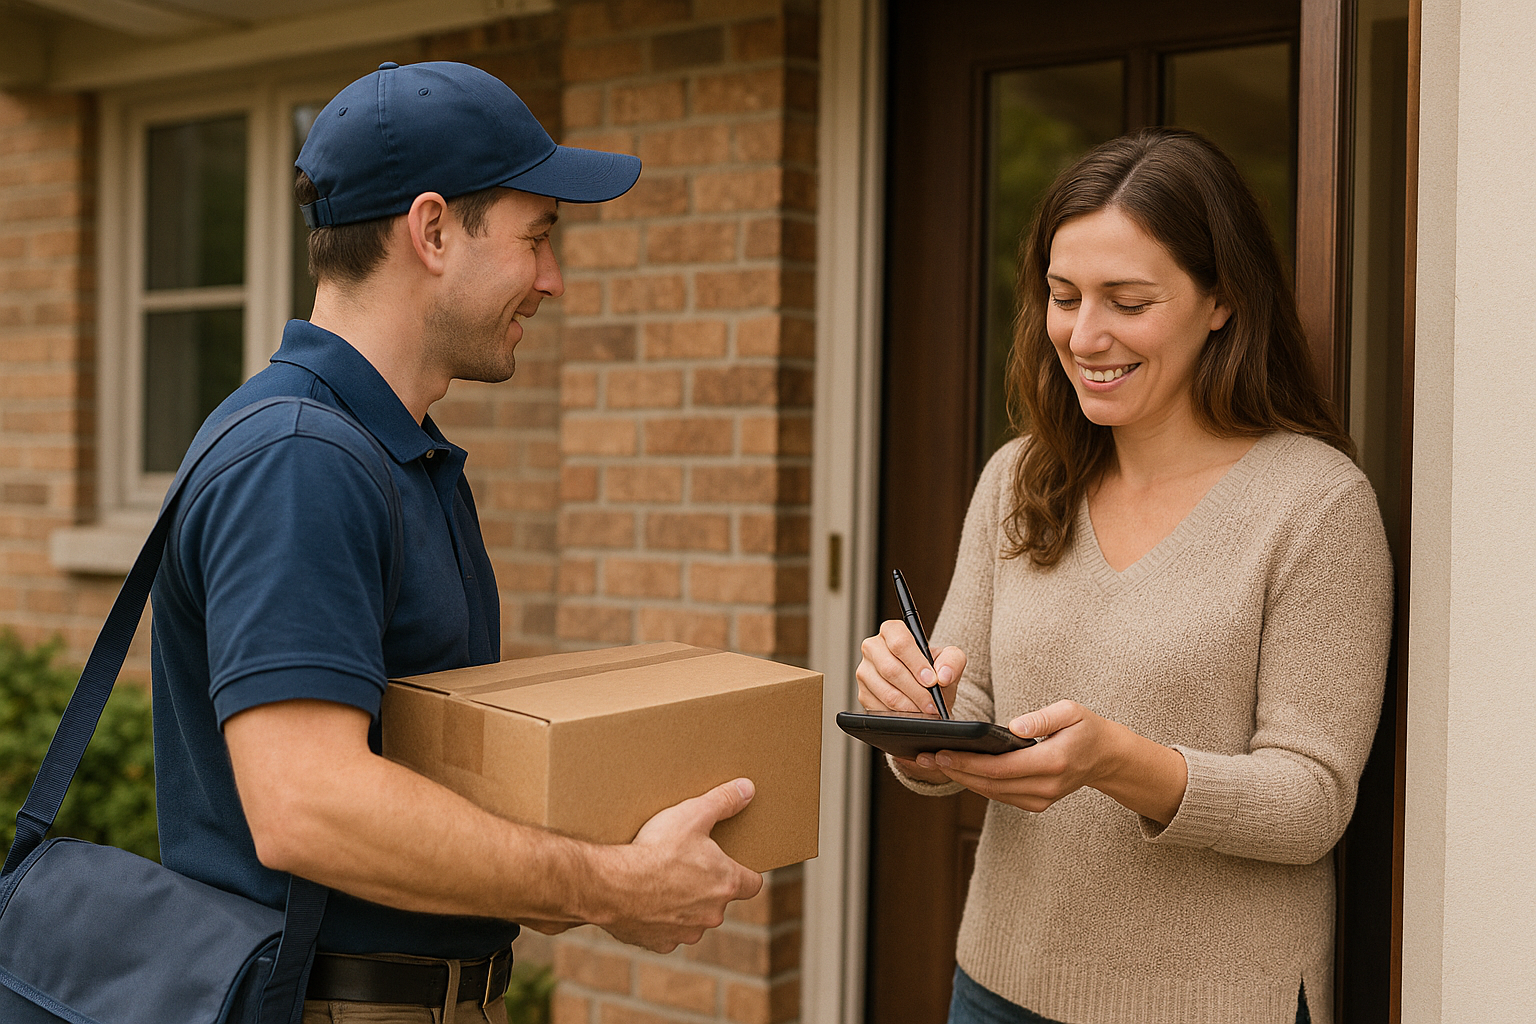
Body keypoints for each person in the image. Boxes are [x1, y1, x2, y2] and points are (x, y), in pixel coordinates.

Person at [150, 61, 761, 1024]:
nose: (552, 280)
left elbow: (419, 778)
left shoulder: (393, 453)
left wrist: (611, 871)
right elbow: (309, 803)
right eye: (538, 238)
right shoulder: (303, 460)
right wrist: (609, 884)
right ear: (432, 230)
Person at [856, 127, 1392, 1024]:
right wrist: (919, 715)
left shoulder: (1315, 504)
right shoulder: (1019, 477)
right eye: (1064, 297)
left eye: (1128, 302)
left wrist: (1122, 764)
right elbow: (968, 700)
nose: (1084, 335)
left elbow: (1311, 803)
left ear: (1220, 300)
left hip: (1217, 1004)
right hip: (999, 984)